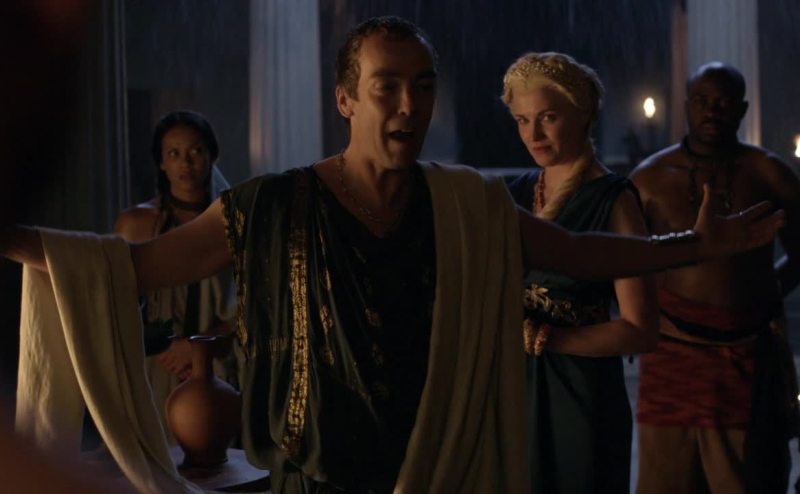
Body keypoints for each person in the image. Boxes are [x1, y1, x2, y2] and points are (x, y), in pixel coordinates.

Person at [1, 18, 786, 494]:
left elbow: (577, 251)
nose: (410, 103)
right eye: (387, 86)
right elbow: (134, 268)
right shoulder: (271, 203)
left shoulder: (466, 204)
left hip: (439, 464)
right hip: (314, 477)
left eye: (424, 85)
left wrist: (694, 244)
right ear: (346, 99)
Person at [630, 62, 800, 494]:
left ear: (741, 109)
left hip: (745, 353)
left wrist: (761, 296)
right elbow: (622, 260)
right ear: (687, 104)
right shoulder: (648, 180)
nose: (712, 111)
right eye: (702, 101)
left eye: (723, 102)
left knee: (746, 478)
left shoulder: (769, 174)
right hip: (670, 353)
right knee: (664, 480)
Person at [502, 52, 657, 493]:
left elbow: (641, 330)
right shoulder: (513, 194)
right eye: (522, 120)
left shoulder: (614, 199)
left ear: (583, 114)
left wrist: (551, 340)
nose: (533, 134)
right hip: (515, 390)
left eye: (547, 118)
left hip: (580, 393)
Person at [113, 110, 238, 441]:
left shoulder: (235, 224)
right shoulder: (137, 224)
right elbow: (116, 306)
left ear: (211, 156)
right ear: (161, 163)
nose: (186, 163)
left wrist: (198, 348)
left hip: (219, 368)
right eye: (174, 153)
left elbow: (253, 308)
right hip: (156, 368)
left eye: (196, 151)